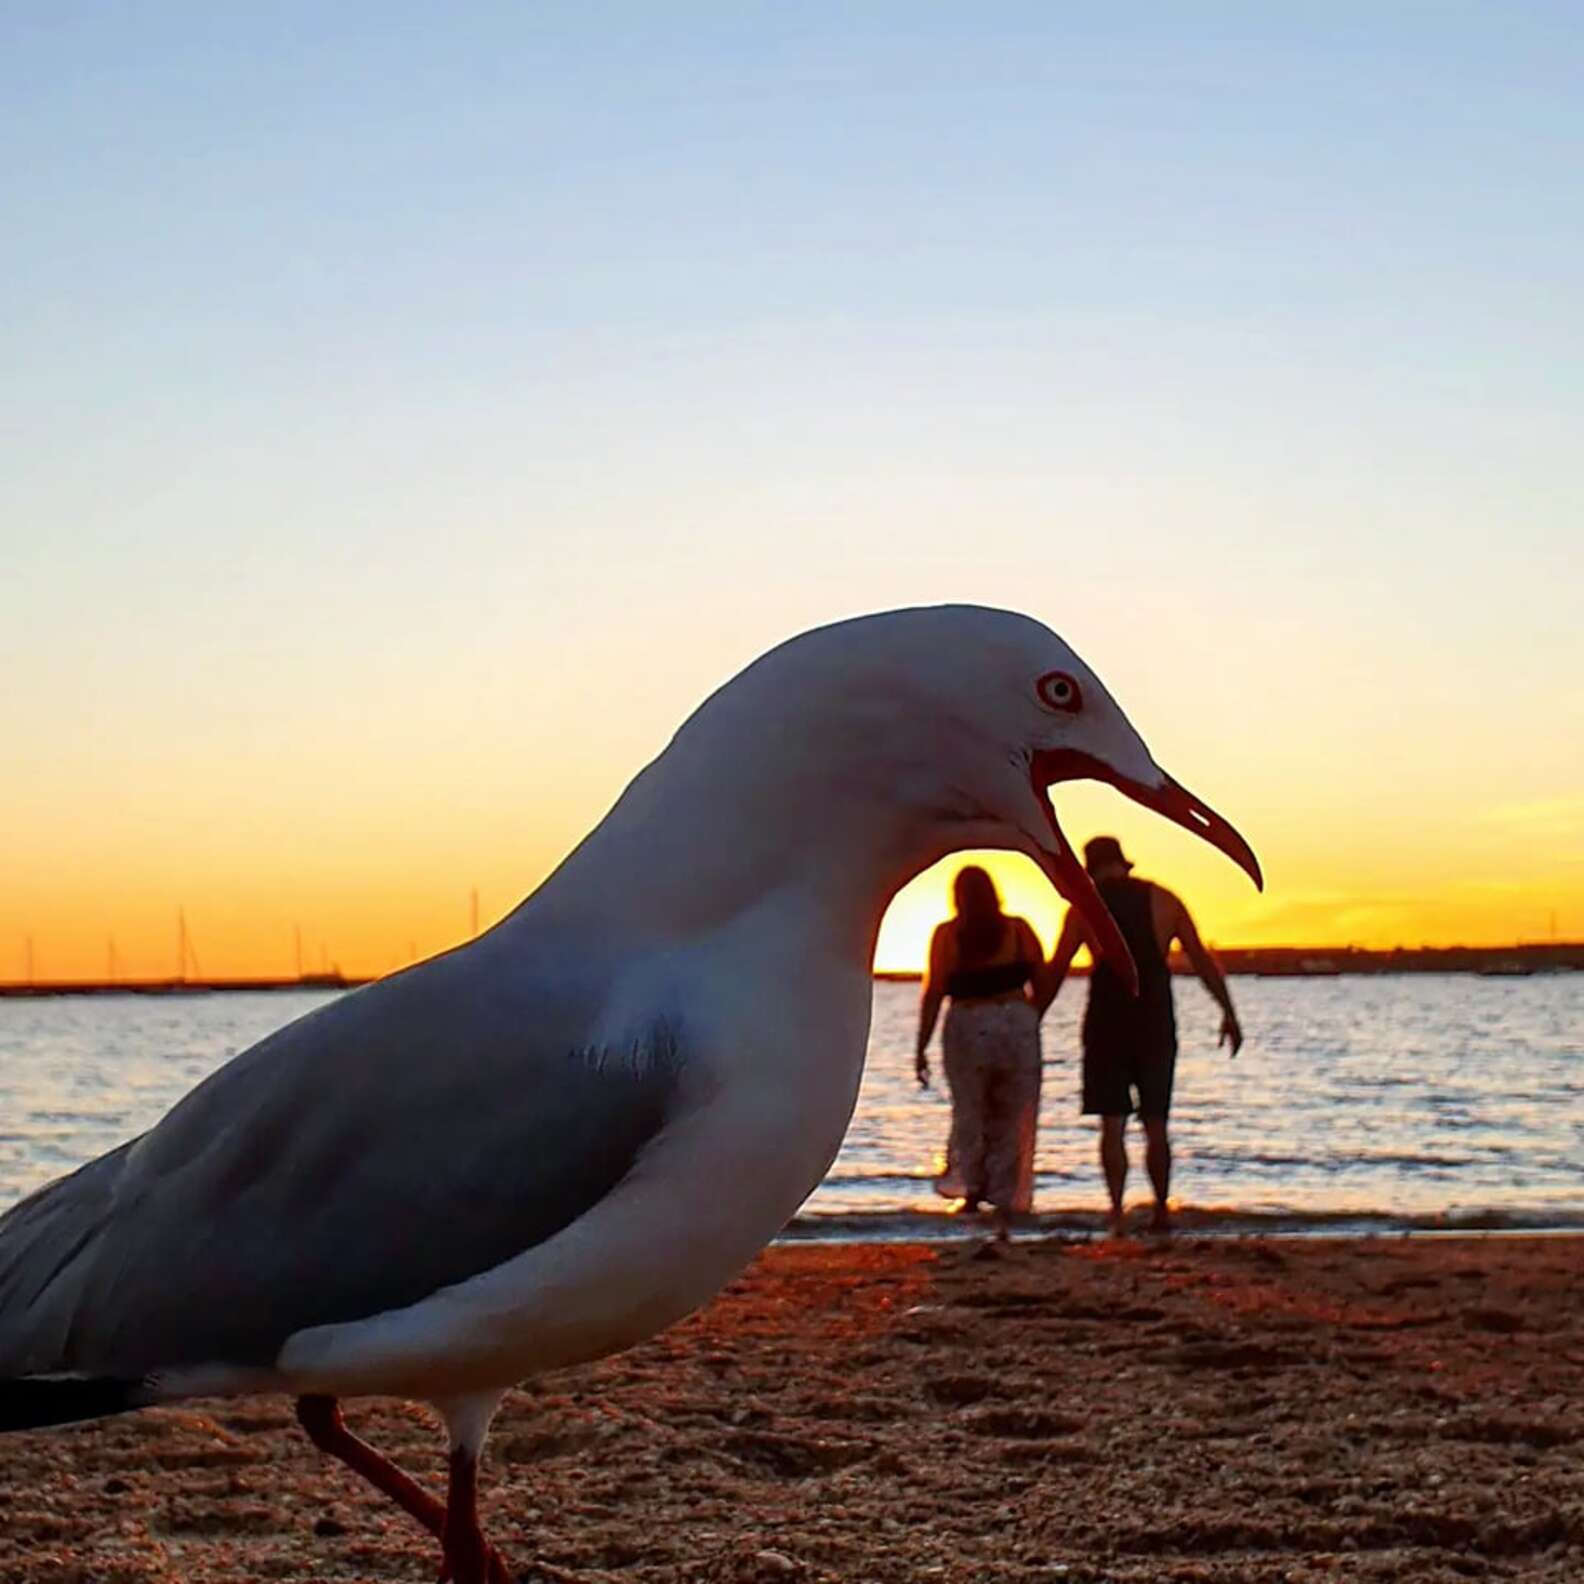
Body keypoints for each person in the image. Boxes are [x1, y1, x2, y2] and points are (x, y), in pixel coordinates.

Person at [1043, 836, 1243, 1238]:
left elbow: (1057, 969)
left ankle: (1116, 1212)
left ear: (1090, 869)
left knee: (1111, 1125)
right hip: (1155, 1020)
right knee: (1156, 1123)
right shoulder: (1165, 900)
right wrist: (1228, 1012)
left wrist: (1030, 1018)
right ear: (1124, 864)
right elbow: (1201, 960)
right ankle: (1161, 1210)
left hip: (1106, 1023)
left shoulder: (1084, 907)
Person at [916, 866, 1048, 1238]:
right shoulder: (1019, 930)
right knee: (1015, 1110)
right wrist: (1030, 1015)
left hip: (968, 1024)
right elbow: (1043, 978)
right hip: (1016, 1024)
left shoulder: (948, 935)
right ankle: (1006, 1195)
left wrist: (921, 1045)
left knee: (970, 1109)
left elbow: (935, 990)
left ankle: (973, 1191)